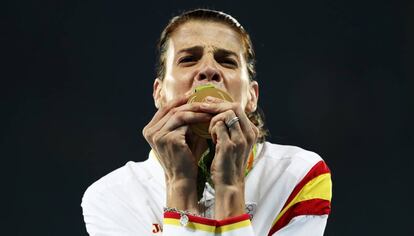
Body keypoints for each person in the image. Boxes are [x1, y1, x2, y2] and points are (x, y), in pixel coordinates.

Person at [81, 9, 332, 236]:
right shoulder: (112, 196)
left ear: (252, 97)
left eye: (227, 61)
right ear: (159, 93)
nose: (209, 70)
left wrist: (231, 188)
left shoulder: (297, 176)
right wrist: (181, 184)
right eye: (189, 59)